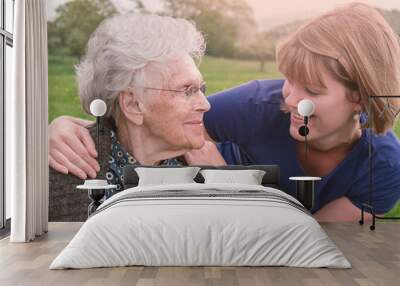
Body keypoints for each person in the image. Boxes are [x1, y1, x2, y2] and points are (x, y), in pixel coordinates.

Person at [49, 3, 400, 222]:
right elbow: (148, 124)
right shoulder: (255, 104)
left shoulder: (384, 166)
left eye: (312, 89)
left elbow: (315, 241)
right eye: (289, 80)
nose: (290, 98)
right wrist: (67, 128)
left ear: (359, 98)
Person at [48, 13, 227, 221]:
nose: (206, 104)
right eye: (187, 90)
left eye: (201, 89)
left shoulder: (199, 167)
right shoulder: (70, 173)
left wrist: (219, 179)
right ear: (133, 104)